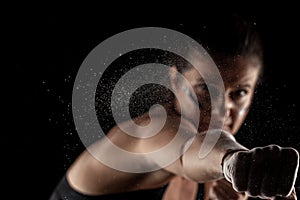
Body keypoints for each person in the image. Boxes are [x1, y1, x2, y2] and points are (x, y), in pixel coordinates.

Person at [49, 15, 299, 200]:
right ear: (175, 80)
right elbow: (187, 151)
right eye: (206, 88)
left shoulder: (228, 186)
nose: (223, 109)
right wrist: (233, 161)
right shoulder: (146, 134)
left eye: (240, 93)